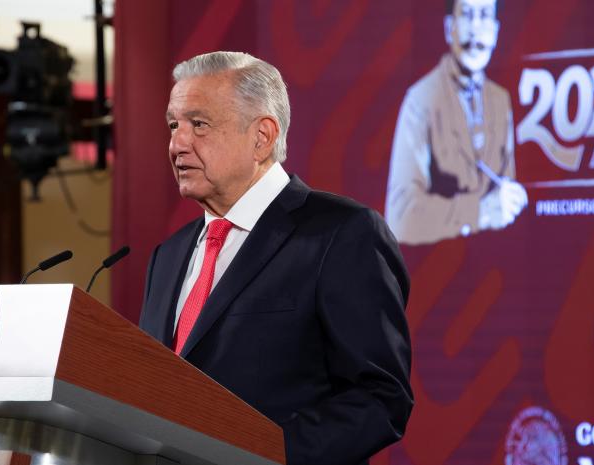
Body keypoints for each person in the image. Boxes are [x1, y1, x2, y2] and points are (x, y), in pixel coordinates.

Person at [138, 51, 413, 465]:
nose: (177, 144)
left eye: (199, 124)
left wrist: (263, 453)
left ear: (262, 137)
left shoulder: (341, 233)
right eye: (174, 125)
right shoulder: (168, 255)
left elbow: (380, 397)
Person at [384, 0, 528, 245]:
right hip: (437, 263)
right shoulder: (420, 100)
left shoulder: (501, 100)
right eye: (467, 15)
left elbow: (505, 194)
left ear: (495, 31)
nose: (475, 29)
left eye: (484, 15)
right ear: (449, 27)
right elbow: (401, 217)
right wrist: (480, 212)